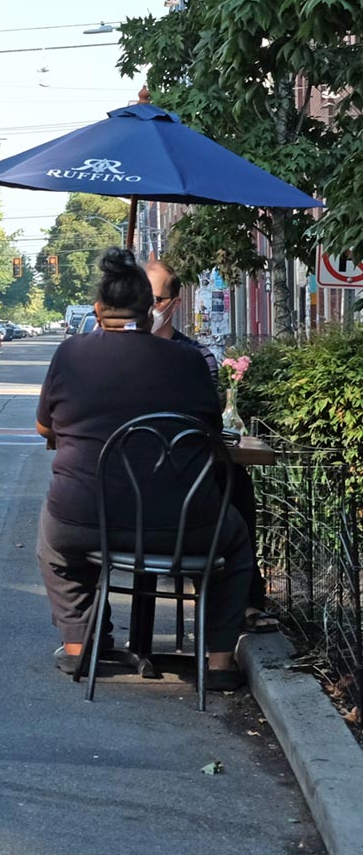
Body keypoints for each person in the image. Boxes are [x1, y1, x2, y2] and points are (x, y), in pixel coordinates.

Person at [36, 248, 255, 691]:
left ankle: (80, 647)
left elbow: (45, 426)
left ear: (98, 310)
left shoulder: (70, 354)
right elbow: (210, 433)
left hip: (86, 520)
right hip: (185, 524)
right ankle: (217, 661)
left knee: (53, 547)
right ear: (149, 308)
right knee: (236, 545)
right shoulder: (190, 361)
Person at [149, 259, 275, 632]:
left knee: (235, 480)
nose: (148, 307)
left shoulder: (196, 358)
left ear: (174, 303)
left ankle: (247, 603)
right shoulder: (113, 356)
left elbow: (206, 426)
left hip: (182, 485)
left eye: (156, 299)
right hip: (130, 494)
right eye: (141, 297)